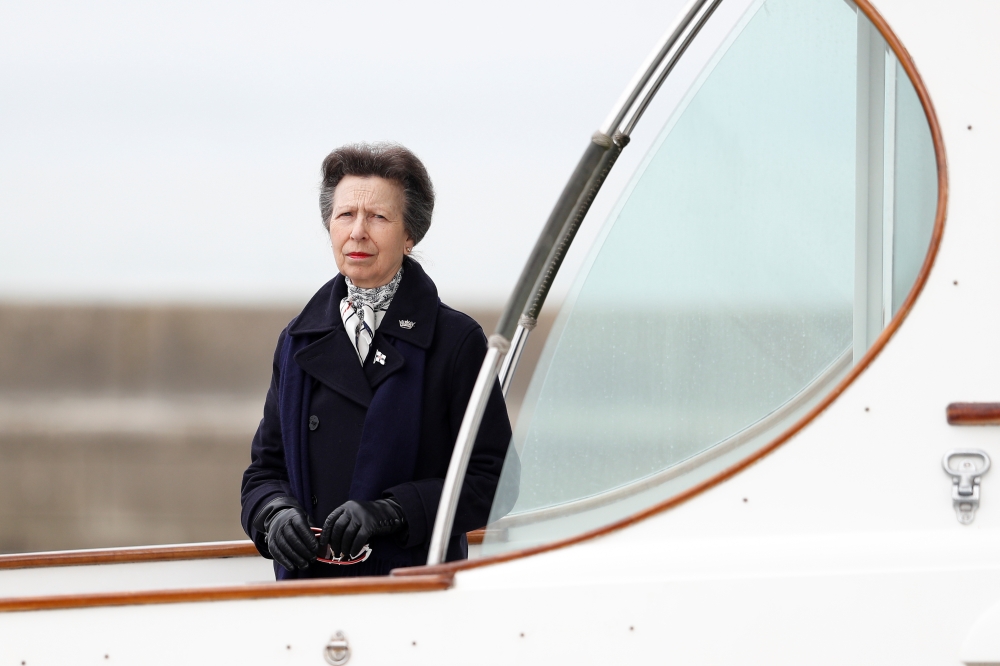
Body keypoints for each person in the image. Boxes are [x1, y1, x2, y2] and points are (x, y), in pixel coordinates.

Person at [240, 143, 515, 579]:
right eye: (346, 215)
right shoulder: (296, 341)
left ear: (411, 234)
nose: (358, 232)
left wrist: (392, 512)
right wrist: (272, 516)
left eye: (379, 217)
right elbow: (264, 471)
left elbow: (494, 479)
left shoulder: (456, 341)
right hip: (305, 595)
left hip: (410, 594)